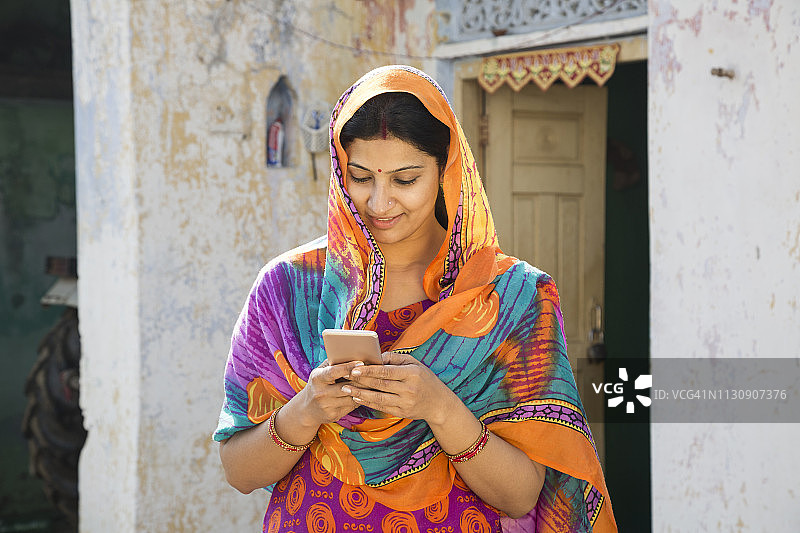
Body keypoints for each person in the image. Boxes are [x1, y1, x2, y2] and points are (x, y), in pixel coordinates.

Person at [214, 65, 617, 532]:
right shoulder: (289, 288)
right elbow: (239, 471)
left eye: (405, 180)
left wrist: (439, 407)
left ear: (446, 171)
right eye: (361, 177)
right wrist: (308, 409)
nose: (379, 203)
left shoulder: (512, 299)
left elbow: (520, 494)